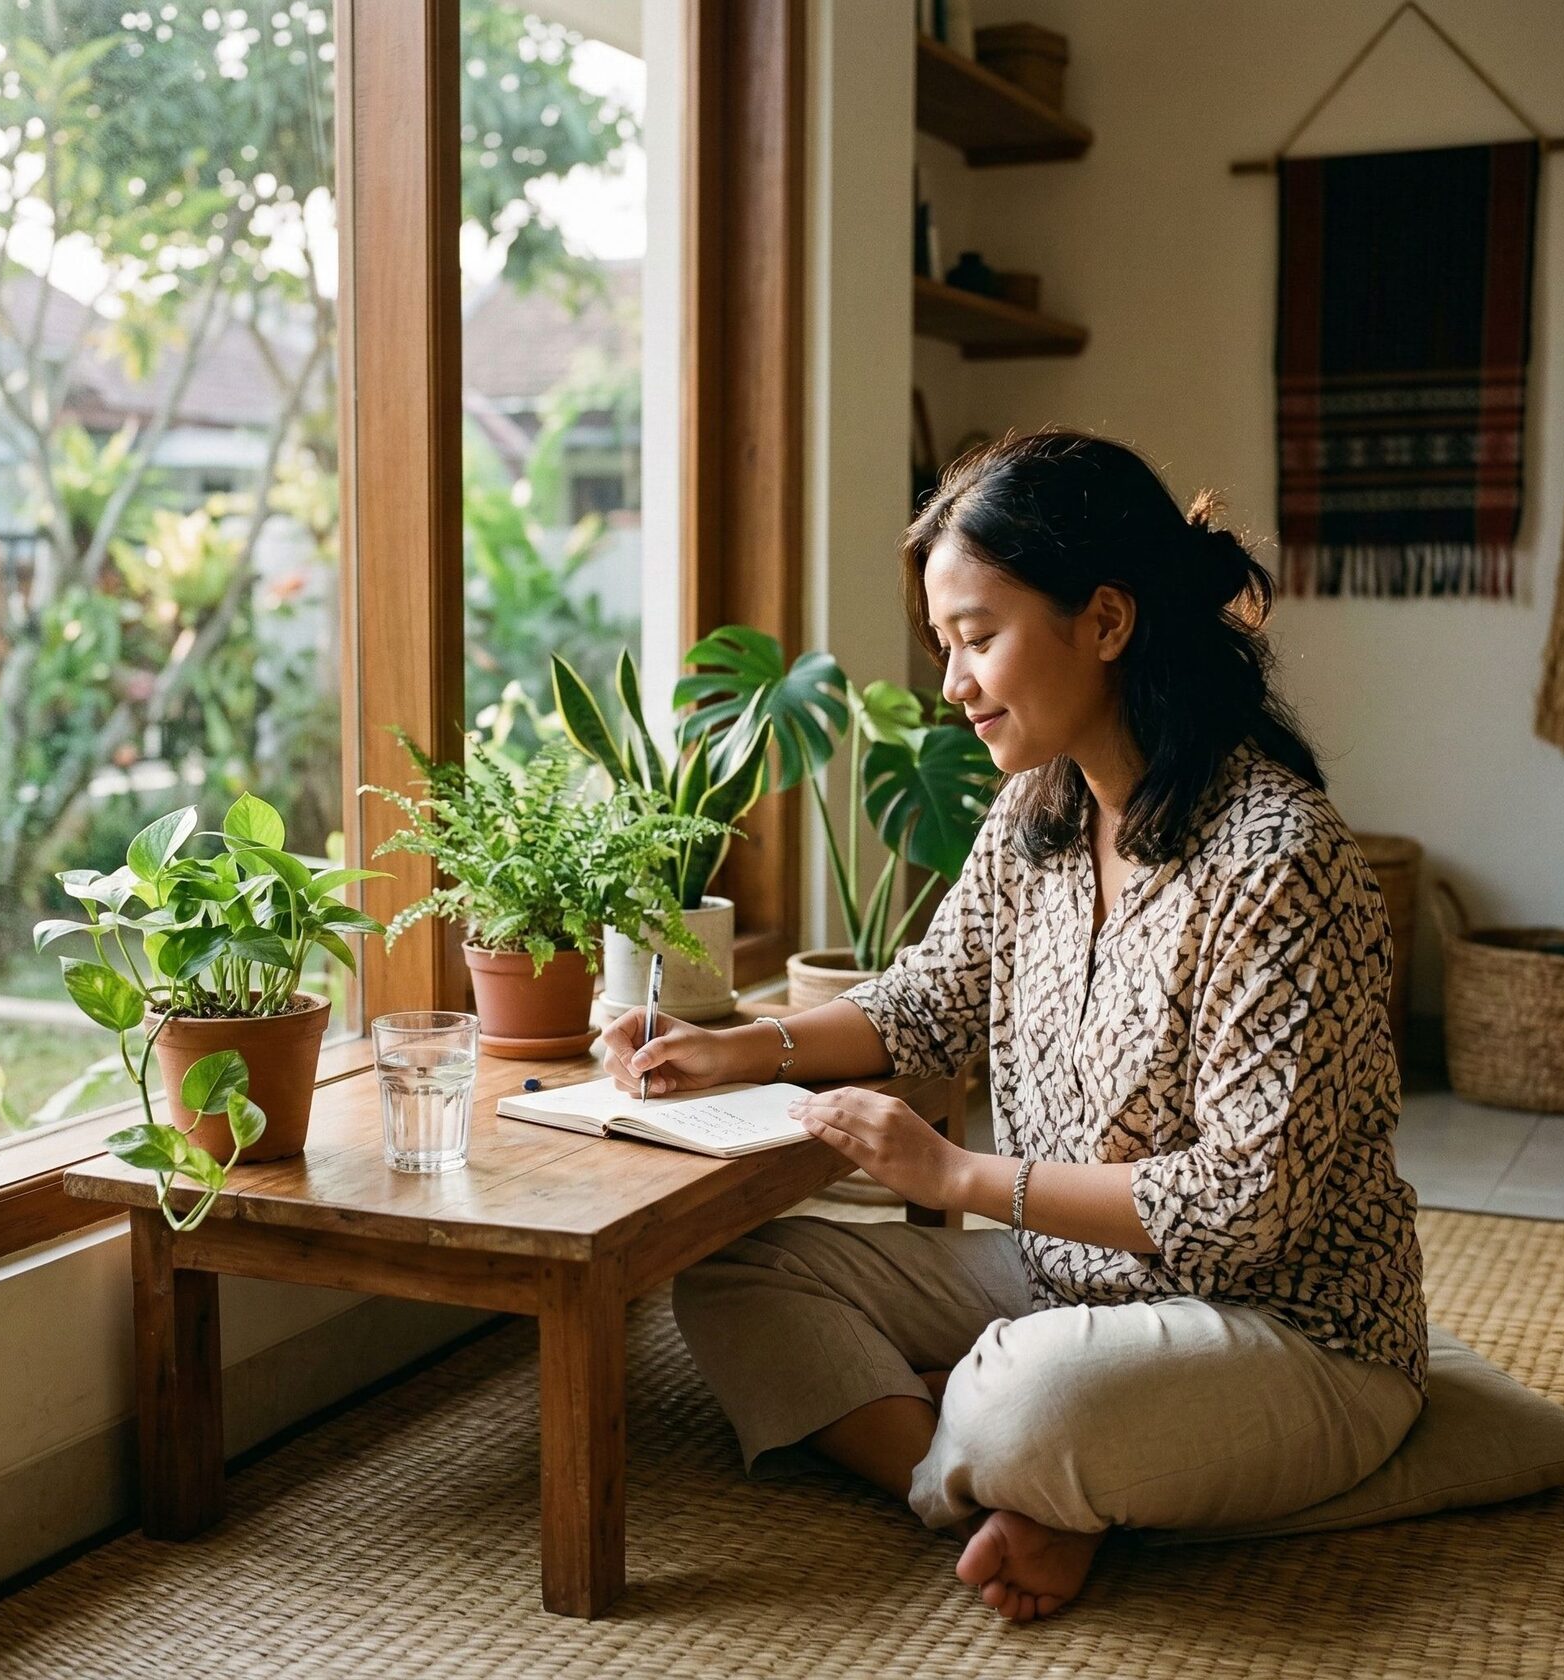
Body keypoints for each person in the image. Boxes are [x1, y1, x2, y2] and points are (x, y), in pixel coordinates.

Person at [600, 429, 1428, 1625]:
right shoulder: (1035, 812)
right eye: (945, 646)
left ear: (1105, 620)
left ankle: (1013, 1455)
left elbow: (1247, 1209)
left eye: (978, 638)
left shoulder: (1276, 859)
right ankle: (1009, 1504)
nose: (952, 685)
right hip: (1067, 1285)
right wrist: (736, 1044)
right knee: (740, 1273)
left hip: (1293, 1330)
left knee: (1031, 1394)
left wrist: (954, 1175)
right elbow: (931, 999)